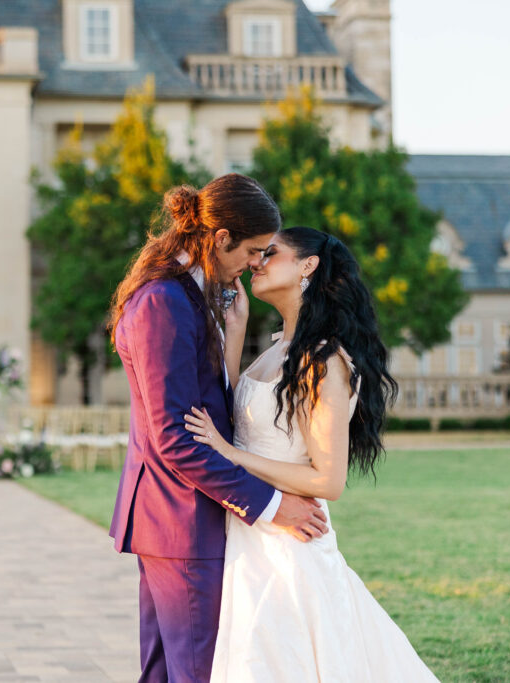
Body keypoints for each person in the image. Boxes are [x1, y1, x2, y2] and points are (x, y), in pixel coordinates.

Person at [183, 226, 439, 681]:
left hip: (290, 551)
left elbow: (328, 480)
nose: (257, 261)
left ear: (308, 265)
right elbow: (231, 412)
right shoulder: (278, 348)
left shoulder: (324, 359)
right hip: (251, 538)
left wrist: (230, 455)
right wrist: (236, 328)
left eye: (272, 253)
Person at [108, 175, 329, 682]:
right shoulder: (164, 301)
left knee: (167, 674)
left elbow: (210, 412)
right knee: (197, 674)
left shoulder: (191, 296)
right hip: (182, 521)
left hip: (178, 520)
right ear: (221, 237)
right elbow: (176, 440)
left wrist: (233, 333)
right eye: (253, 250)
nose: (257, 263)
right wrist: (275, 508)